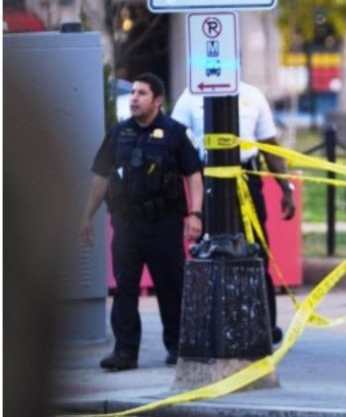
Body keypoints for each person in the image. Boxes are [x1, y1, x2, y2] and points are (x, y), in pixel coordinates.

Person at [79, 73, 204, 370]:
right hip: (127, 223)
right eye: (133, 92)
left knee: (171, 286)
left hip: (163, 223)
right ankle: (125, 352)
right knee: (125, 289)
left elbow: (193, 175)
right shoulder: (118, 133)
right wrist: (86, 215)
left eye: (142, 93)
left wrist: (196, 214)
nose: (134, 98)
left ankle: (177, 346)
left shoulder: (176, 133)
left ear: (157, 100)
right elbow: (100, 177)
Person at [171, 80, 295, 345]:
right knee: (208, 252)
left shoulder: (253, 95)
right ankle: (209, 324)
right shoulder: (191, 95)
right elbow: (174, 143)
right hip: (209, 179)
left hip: (246, 177)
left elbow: (269, 146)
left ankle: (265, 325)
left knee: (257, 249)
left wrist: (286, 188)